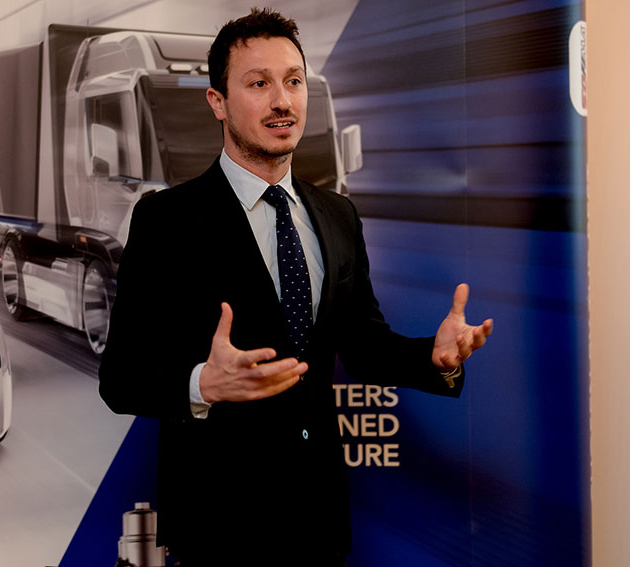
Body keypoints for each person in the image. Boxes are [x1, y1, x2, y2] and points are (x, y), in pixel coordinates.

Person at [99, 8, 493, 566]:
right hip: (219, 526)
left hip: (319, 520)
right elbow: (120, 380)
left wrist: (435, 357)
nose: (282, 100)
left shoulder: (338, 214)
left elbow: (364, 346)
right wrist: (203, 384)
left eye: (293, 81)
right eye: (259, 84)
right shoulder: (166, 219)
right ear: (218, 102)